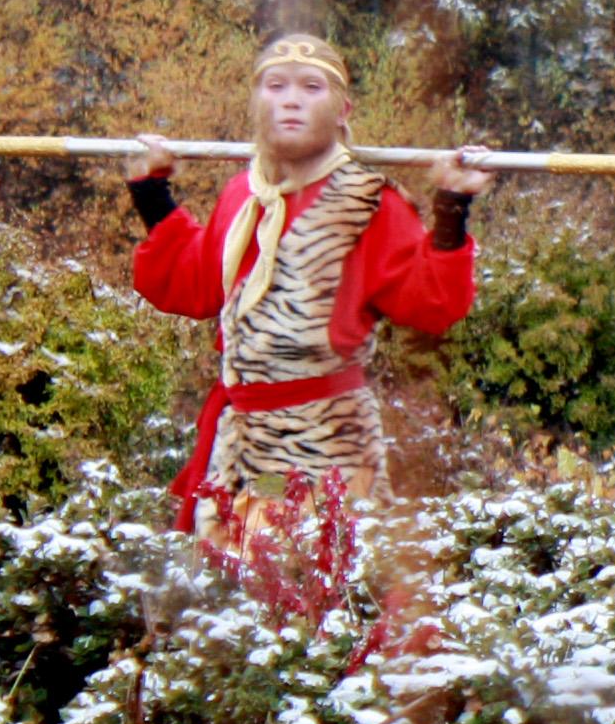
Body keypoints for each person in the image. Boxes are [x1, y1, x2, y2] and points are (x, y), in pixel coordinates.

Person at [126, 36, 491, 543]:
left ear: (342, 110)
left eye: (310, 87)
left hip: (327, 445)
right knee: (235, 597)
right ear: (257, 104)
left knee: (309, 590)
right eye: (275, 86)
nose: (291, 100)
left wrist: (451, 206)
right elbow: (197, 283)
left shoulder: (367, 203)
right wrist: (152, 194)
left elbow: (430, 302)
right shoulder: (242, 194)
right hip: (240, 441)